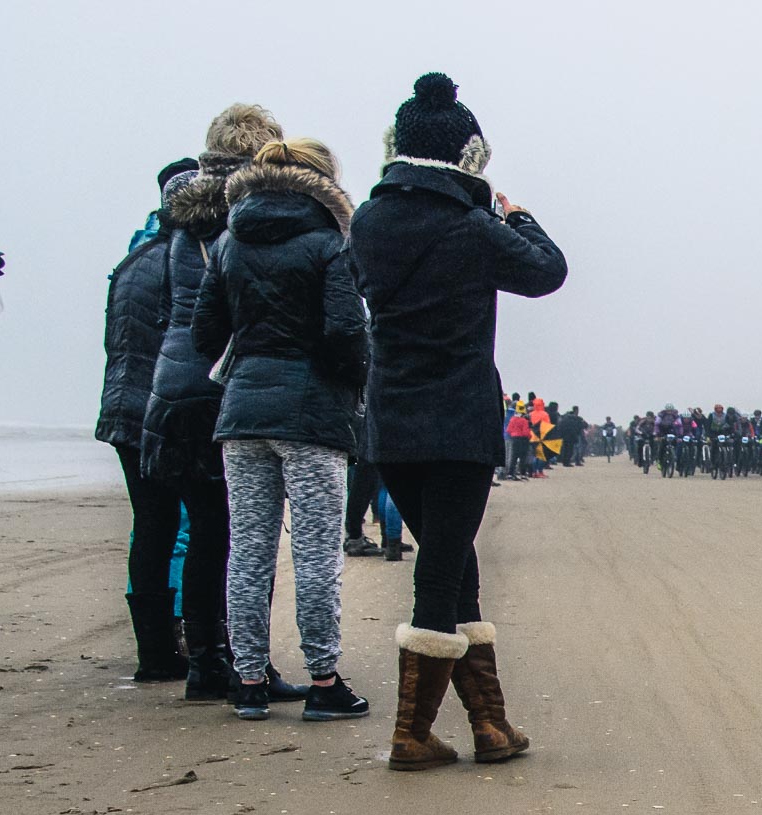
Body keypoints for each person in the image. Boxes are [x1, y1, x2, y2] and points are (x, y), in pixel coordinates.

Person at [350, 72, 567, 768]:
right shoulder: (474, 229)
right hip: (460, 421)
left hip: (391, 423)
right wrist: (518, 217)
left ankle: (490, 725)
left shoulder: (368, 221)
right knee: (441, 572)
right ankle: (411, 734)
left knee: (453, 560)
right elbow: (547, 270)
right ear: (469, 158)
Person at [194, 137, 370, 721]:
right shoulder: (330, 243)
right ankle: (323, 681)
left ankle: (248, 679)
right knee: (318, 551)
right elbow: (347, 331)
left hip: (242, 412)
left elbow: (204, 335)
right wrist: (351, 385)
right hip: (313, 413)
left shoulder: (226, 243)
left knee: (248, 549)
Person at [141, 104, 293, 698]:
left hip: (171, 391)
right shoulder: (248, 218)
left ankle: (205, 662)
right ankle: (239, 659)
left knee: (208, 533)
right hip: (224, 390)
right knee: (240, 536)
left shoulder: (181, 220)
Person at [97, 162, 198, 664]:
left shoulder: (132, 258)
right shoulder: (181, 258)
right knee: (179, 525)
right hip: (161, 409)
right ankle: (182, 634)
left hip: (122, 406)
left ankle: (154, 650)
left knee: (152, 523)